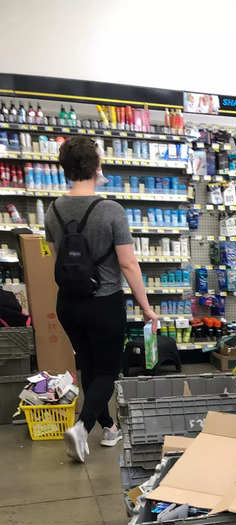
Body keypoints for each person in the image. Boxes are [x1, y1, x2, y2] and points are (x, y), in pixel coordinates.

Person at [44, 136, 158, 463]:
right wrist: (146, 307)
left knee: (89, 364)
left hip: (68, 303)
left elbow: (58, 258)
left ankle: (108, 428)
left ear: (65, 168)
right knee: (108, 370)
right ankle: (81, 427)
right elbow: (128, 264)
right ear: (97, 166)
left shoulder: (53, 209)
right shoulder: (111, 210)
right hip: (104, 302)